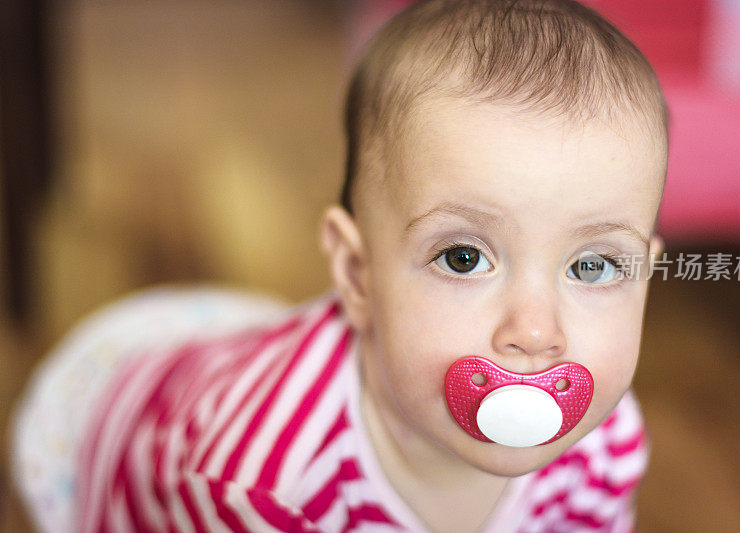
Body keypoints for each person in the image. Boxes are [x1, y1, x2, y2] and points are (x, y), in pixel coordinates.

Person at [12, 0, 668, 531]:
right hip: (105, 422)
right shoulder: (267, 482)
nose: (535, 330)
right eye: (464, 257)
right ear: (357, 274)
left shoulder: (606, 443)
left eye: (593, 267)